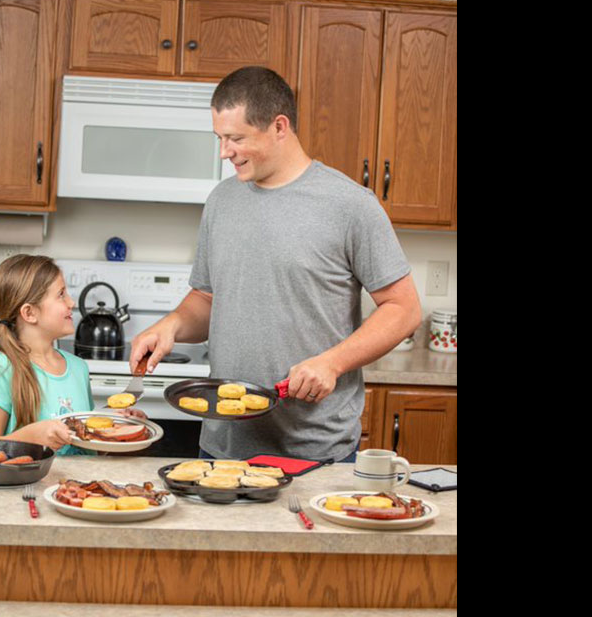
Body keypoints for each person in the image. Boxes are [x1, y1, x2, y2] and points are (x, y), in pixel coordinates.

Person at [128, 66, 422, 463]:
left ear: (279, 126)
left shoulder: (350, 205)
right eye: (219, 138)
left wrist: (332, 363)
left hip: (315, 449)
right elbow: (207, 298)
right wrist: (172, 325)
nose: (224, 152)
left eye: (236, 138)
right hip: (222, 446)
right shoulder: (221, 201)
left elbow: (404, 309)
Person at [0, 253, 147, 455]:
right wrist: (31, 437)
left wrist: (119, 427)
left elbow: (89, 446)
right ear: (29, 313)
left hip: (80, 486)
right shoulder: (1, 368)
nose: (71, 303)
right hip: (29, 487)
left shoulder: (78, 368)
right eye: (61, 294)